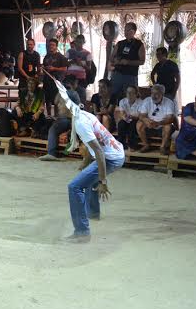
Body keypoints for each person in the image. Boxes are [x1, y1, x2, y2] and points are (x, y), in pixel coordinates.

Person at [53, 78, 124, 242]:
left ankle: (82, 231)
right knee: (87, 180)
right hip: (116, 152)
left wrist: (103, 181)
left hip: (110, 158)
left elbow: (99, 152)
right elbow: (96, 146)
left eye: (60, 104)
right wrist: (85, 165)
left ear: (69, 105)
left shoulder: (80, 123)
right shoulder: (84, 114)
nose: (58, 107)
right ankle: (93, 213)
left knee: (75, 187)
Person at [40, 75, 81, 161]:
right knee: (74, 134)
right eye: (76, 83)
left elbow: (55, 102)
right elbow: (79, 108)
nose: (77, 85)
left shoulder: (60, 93)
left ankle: (51, 153)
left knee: (52, 131)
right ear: (72, 84)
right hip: (72, 120)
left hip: (64, 119)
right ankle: (66, 152)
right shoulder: (74, 93)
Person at [136, 83, 176, 154]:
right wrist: (146, 121)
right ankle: (146, 145)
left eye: (157, 94)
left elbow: (170, 118)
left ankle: (162, 147)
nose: (154, 96)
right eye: (152, 93)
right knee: (139, 124)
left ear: (162, 94)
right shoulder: (147, 101)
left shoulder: (169, 102)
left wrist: (158, 123)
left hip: (162, 125)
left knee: (168, 126)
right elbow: (141, 116)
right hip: (149, 126)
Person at [109, 22, 145, 101]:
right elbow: (111, 57)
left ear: (134, 32)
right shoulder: (120, 43)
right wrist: (115, 60)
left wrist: (128, 62)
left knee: (131, 97)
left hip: (130, 75)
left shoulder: (139, 44)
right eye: (125, 30)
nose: (126, 32)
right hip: (117, 74)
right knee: (113, 95)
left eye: (129, 30)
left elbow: (142, 61)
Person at [42, 38, 68, 118]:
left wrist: (54, 69)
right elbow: (44, 67)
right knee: (47, 99)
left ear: (56, 46)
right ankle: (49, 115)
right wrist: (42, 68)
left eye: (53, 45)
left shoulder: (61, 57)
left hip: (56, 81)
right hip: (47, 81)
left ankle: (56, 116)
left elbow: (64, 69)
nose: (51, 46)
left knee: (56, 100)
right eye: (50, 45)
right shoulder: (46, 56)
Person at [66, 34, 93, 103]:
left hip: (81, 79)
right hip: (70, 78)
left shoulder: (87, 53)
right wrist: (72, 61)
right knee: (69, 98)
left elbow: (89, 68)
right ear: (75, 42)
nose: (79, 44)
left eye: (81, 42)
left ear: (84, 42)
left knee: (81, 98)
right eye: (78, 42)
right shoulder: (69, 51)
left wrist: (82, 64)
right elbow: (64, 64)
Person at [115, 85, 141, 149]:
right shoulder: (122, 101)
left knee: (132, 125)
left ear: (136, 94)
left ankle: (132, 145)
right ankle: (121, 144)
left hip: (136, 119)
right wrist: (125, 117)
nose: (129, 94)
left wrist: (132, 117)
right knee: (121, 123)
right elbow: (122, 113)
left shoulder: (141, 102)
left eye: (131, 92)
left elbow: (140, 116)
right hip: (126, 119)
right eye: (127, 92)